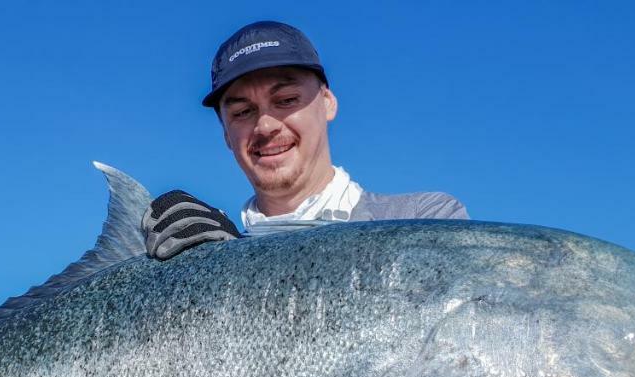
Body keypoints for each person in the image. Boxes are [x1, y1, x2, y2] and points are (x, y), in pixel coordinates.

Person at [144, 20, 469, 260]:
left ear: (328, 102)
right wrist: (184, 274)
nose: (266, 125)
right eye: (243, 112)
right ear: (226, 134)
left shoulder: (424, 219)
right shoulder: (207, 250)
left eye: (286, 100)